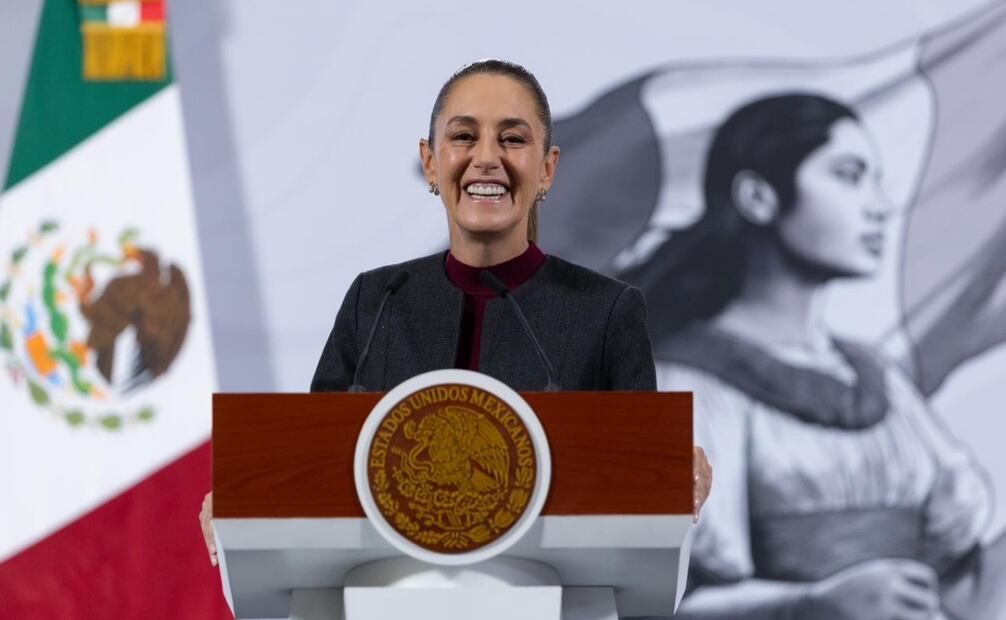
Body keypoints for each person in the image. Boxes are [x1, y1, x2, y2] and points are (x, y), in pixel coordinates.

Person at [200, 59, 713, 567]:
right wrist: (245, 499)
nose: (486, 158)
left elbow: (636, 490)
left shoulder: (606, 311)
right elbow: (314, 473)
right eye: (463, 136)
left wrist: (666, 475)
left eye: (512, 139)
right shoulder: (375, 301)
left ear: (548, 168)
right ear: (430, 162)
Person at [620, 93, 1000, 619]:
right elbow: (648, 602)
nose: (879, 205)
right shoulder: (682, 382)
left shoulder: (879, 380)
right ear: (758, 196)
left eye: (874, 179)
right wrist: (810, 604)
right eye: (848, 175)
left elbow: (959, 578)